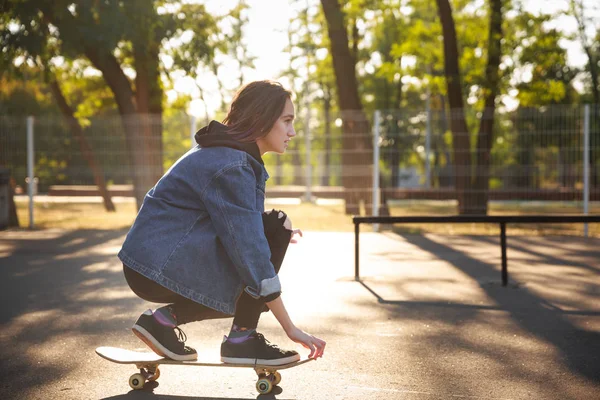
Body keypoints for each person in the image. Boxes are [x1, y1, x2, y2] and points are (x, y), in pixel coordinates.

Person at [117, 80, 326, 366]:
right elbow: (251, 255)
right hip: (155, 267)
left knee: (274, 230)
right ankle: (242, 339)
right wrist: (290, 328)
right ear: (260, 119)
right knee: (271, 235)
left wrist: (270, 234)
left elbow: (242, 234)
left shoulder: (230, 155)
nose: (292, 131)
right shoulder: (233, 165)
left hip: (152, 262)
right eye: (287, 121)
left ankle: (164, 321)